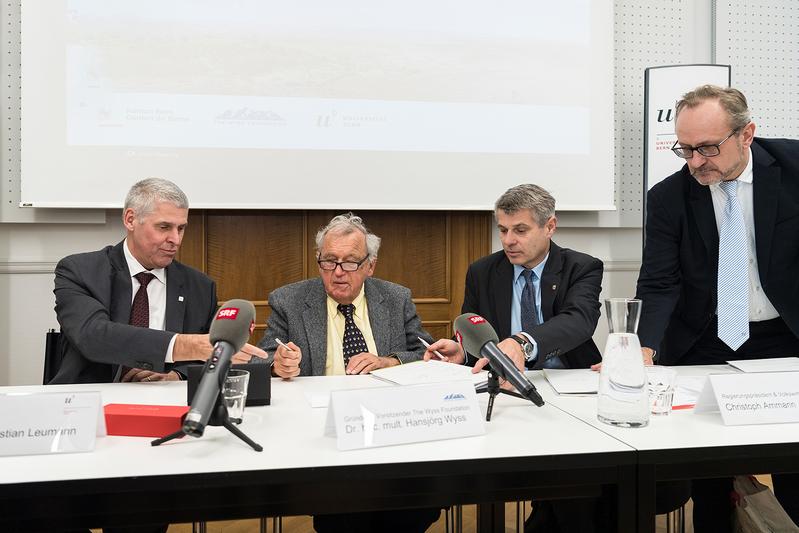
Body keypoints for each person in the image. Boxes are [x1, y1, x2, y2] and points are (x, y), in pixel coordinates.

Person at [636, 85, 799, 531]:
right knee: (710, 480)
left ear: (747, 134)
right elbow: (658, 282)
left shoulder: (793, 166)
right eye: (685, 149)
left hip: (787, 338)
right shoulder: (667, 197)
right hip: (706, 341)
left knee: (796, 472)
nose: (695, 161)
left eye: (707, 147)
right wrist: (644, 347)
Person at [424, 184, 607, 533]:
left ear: (549, 227)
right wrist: (462, 351)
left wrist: (522, 342)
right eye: (503, 230)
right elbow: (475, 333)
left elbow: (579, 322)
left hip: (566, 390)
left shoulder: (581, 267)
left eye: (520, 230)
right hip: (504, 395)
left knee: (572, 489)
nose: (508, 240)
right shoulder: (482, 271)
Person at [259, 212, 439, 533]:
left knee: (416, 505)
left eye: (351, 262)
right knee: (344, 513)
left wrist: (390, 361)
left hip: (390, 426)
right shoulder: (289, 301)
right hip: (322, 433)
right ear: (319, 262)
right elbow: (264, 357)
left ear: (370, 266)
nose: (339, 273)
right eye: (329, 261)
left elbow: (426, 354)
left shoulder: (396, 298)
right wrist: (279, 363)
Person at [53, 177, 266, 386]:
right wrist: (181, 345)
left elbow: (208, 359)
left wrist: (177, 376)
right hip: (91, 401)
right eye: (164, 227)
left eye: (181, 228)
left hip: (167, 402)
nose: (176, 239)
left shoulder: (200, 286)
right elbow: (93, 335)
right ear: (130, 220)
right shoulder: (80, 271)